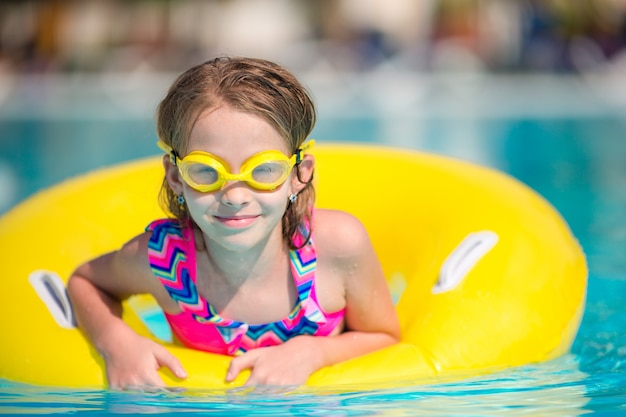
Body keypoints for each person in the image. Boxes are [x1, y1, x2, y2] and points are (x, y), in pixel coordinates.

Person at [67, 56, 400, 390]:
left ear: (300, 173)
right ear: (176, 176)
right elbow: (86, 282)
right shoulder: (162, 261)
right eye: (206, 171)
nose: (235, 196)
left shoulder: (337, 246)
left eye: (264, 170)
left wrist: (313, 351)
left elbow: (385, 336)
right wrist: (115, 341)